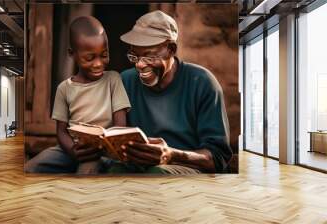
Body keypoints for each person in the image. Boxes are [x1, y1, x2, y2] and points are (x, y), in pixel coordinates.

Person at [112, 10, 232, 174]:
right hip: (137, 166)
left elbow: (218, 159)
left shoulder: (202, 82)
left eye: (149, 56)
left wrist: (171, 155)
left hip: (186, 168)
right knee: (113, 170)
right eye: (134, 56)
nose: (139, 65)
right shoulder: (125, 81)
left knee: (158, 174)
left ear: (171, 49)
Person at [24, 16, 131, 174]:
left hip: (102, 152)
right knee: (31, 167)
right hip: (72, 148)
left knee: (86, 172)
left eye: (104, 55)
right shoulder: (64, 88)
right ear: (71, 53)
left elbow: (120, 125)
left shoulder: (113, 80)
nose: (98, 63)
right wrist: (73, 150)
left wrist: (106, 145)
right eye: (89, 58)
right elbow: (61, 131)